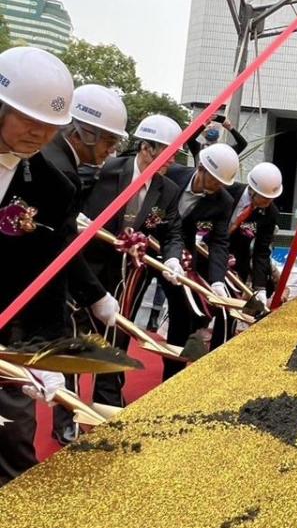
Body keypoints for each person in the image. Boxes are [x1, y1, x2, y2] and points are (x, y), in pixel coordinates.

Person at [0, 47, 77, 484]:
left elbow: (47, 275)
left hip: (7, 341)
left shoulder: (52, 186)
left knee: (14, 446)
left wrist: (46, 352)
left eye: (51, 126)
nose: (40, 134)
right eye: (29, 119)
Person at [42, 83, 125, 444]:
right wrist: (96, 294)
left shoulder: (58, 160)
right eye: (108, 141)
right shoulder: (59, 171)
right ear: (84, 133)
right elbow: (60, 245)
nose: (112, 151)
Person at [83, 114, 185, 408]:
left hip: (128, 276)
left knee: (118, 336)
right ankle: (67, 415)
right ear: (144, 147)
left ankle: (109, 401)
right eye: (164, 153)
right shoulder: (106, 170)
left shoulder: (167, 190)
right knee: (76, 336)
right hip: (87, 267)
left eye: (174, 155)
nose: (169, 161)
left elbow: (172, 232)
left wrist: (173, 260)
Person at [161, 143, 239, 379]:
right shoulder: (172, 173)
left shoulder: (223, 201)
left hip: (181, 260)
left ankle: (172, 378)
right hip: (144, 246)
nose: (216, 187)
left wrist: (217, 281)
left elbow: (219, 242)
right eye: (214, 180)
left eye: (221, 183)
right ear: (201, 167)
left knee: (183, 314)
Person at [210, 161, 282, 347]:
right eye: (264, 197)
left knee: (228, 315)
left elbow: (261, 251)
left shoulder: (270, 213)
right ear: (251, 189)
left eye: (271, 198)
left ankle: (217, 353)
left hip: (235, 266)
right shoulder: (227, 191)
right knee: (200, 310)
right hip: (205, 254)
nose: (267, 202)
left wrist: (260, 287)